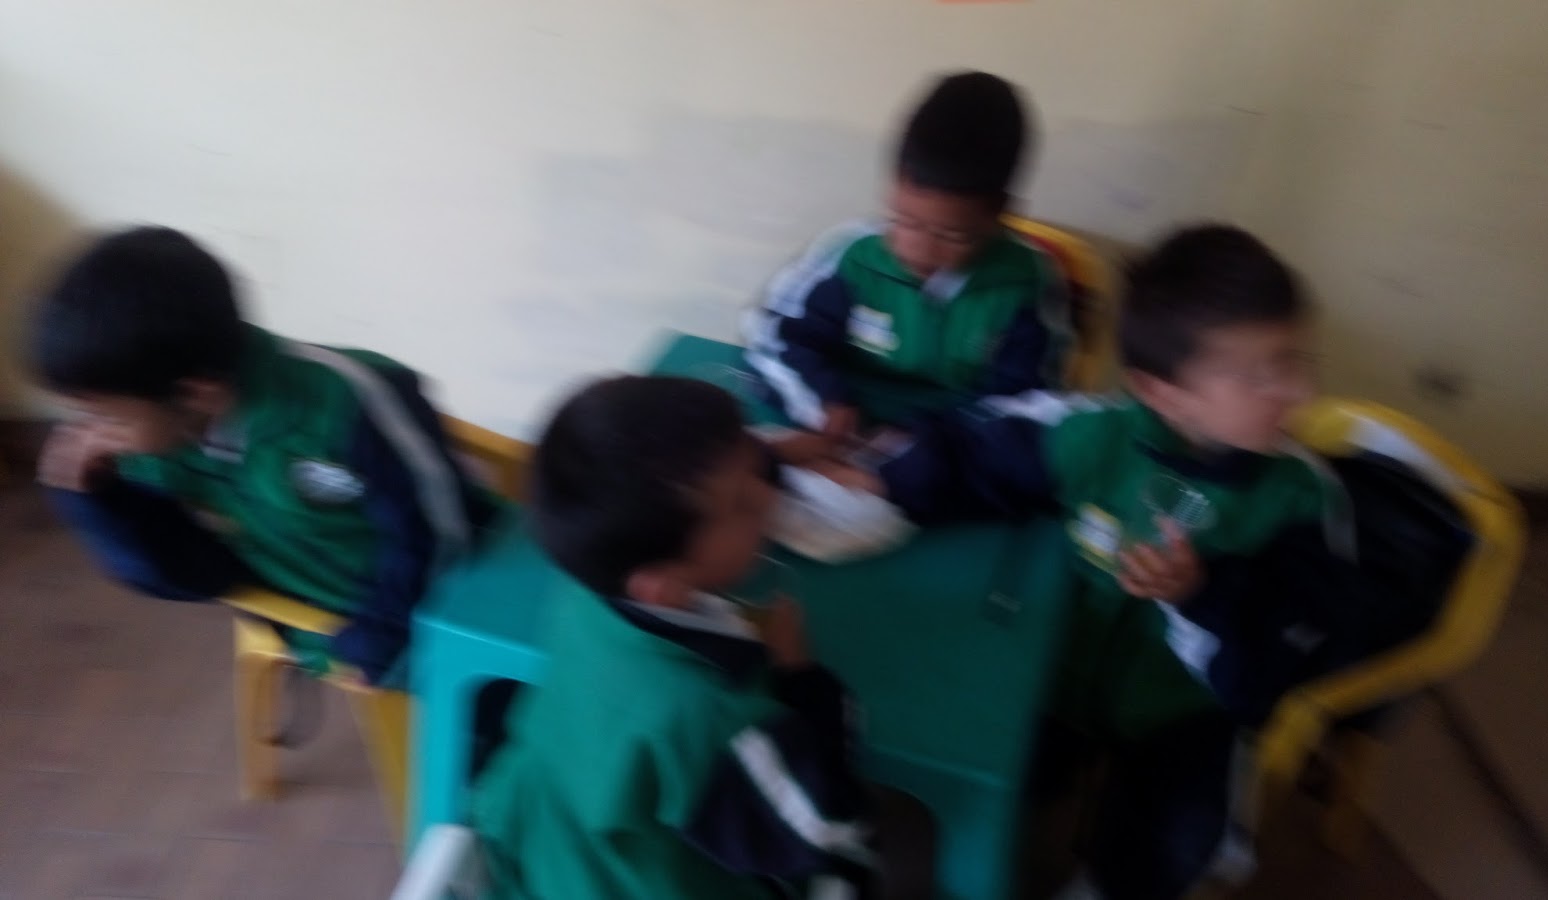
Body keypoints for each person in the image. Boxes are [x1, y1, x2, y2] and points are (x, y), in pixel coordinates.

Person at [828, 224, 1330, 899]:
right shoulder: (1098, 435)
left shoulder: (1299, 498)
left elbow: (1281, 647)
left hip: (1183, 711)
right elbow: (979, 453)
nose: (1300, 392)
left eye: (1295, 361)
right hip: (1062, 678)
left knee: (1170, 845)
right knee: (989, 763)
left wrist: (1200, 594)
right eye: (1263, 374)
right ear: (1161, 392)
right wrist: (880, 481)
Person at [472, 376, 934, 900]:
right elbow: (826, 825)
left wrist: (776, 457)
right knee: (853, 868)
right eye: (740, 503)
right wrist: (802, 677)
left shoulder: (587, 589)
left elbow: (714, 476)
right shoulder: (708, 719)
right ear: (665, 586)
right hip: (640, 885)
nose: (765, 497)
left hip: (555, 843)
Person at [32, 226, 501, 687]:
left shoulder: (349, 404)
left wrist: (385, 635)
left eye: (108, 418)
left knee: (502, 706)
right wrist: (101, 505)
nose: (90, 435)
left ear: (197, 393)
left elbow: (436, 531)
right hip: (327, 624)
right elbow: (197, 577)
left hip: (457, 595)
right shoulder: (146, 451)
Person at [744, 70, 1072, 442]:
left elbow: (1026, 397)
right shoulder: (850, 255)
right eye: (905, 221)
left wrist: (926, 445)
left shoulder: (1028, 281)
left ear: (1000, 213)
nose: (921, 250)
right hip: (843, 415)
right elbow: (774, 336)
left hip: (952, 435)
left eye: (953, 235)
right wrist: (826, 403)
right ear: (894, 185)